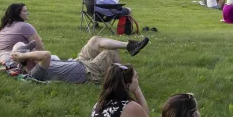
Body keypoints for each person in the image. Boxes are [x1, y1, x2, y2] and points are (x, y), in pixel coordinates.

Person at [10, 35, 150, 84]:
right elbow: (46, 54)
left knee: (94, 40)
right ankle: (120, 80)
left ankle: (131, 46)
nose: (34, 51)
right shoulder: (36, 72)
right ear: (27, 58)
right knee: (110, 52)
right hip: (88, 71)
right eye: (31, 51)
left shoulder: (36, 63)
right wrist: (21, 56)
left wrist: (24, 55)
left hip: (79, 62)